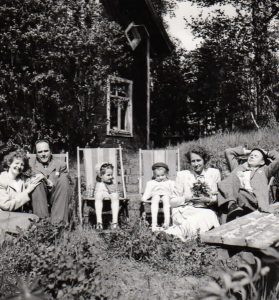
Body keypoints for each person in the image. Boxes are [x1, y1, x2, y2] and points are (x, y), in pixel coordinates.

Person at [165, 146, 221, 241]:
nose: (196, 164)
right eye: (193, 161)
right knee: (209, 216)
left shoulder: (214, 173)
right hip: (186, 210)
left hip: (206, 208)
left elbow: (220, 196)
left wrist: (210, 200)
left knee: (208, 214)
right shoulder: (183, 175)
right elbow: (172, 202)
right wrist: (187, 198)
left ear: (204, 160)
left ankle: (173, 233)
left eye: (198, 160)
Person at [218, 146, 279, 222]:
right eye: (251, 155)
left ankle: (231, 205)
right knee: (232, 177)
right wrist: (248, 151)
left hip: (253, 198)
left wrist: (266, 152)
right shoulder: (238, 168)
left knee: (227, 192)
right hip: (236, 196)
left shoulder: (264, 170)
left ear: (262, 162)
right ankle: (231, 207)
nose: (252, 156)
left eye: (256, 156)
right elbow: (228, 152)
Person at [0, 149, 43, 232]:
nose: (19, 166)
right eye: (16, 163)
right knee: (33, 220)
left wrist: (41, 176)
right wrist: (26, 191)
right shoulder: (1, 180)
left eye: (22, 164)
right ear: (9, 163)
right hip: (3, 216)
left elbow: (34, 181)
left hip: (15, 215)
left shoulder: (22, 179)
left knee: (33, 220)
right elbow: (6, 206)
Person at [29, 140, 70, 224]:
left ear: (50, 151)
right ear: (36, 153)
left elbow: (65, 185)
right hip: (37, 195)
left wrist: (50, 182)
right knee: (37, 181)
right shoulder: (30, 165)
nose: (43, 154)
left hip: (55, 194)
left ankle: (58, 224)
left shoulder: (61, 164)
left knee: (64, 179)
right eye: (40, 152)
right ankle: (42, 223)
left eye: (46, 151)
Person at [141, 162, 175, 231]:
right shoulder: (151, 183)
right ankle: (154, 224)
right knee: (154, 204)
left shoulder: (170, 182)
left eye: (162, 175)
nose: (160, 178)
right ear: (154, 175)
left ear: (166, 174)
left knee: (166, 205)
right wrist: (144, 198)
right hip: (155, 196)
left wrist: (173, 197)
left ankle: (166, 223)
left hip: (166, 196)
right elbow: (148, 191)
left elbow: (173, 191)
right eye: (158, 176)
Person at [94, 162, 119, 230]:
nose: (111, 177)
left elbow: (114, 191)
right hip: (100, 196)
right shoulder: (100, 184)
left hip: (110, 196)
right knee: (98, 195)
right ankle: (99, 222)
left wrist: (114, 194)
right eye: (108, 175)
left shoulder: (112, 184)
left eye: (111, 175)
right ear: (101, 176)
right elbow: (96, 193)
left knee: (115, 196)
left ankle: (115, 222)